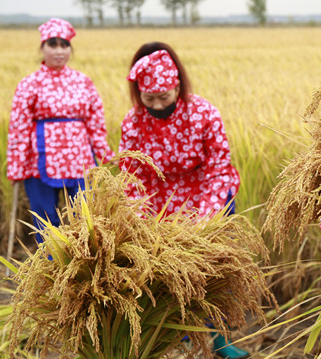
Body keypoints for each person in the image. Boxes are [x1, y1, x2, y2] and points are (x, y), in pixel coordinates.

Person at [118, 43, 247, 358]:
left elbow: (218, 169)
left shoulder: (204, 113)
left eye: (165, 98)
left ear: (178, 86)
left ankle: (219, 339)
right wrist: (143, 222)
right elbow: (132, 178)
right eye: (150, 100)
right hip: (158, 202)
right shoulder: (133, 123)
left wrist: (204, 221)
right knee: (165, 274)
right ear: (139, 95)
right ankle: (179, 335)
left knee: (212, 271)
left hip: (207, 195)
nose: (158, 105)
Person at [7, 18, 114, 245]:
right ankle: (51, 268)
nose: (59, 51)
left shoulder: (83, 81)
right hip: (40, 159)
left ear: (70, 49)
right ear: (42, 47)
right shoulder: (29, 84)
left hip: (80, 158)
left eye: (64, 45)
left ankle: (85, 269)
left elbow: (96, 122)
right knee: (45, 219)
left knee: (86, 217)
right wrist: (17, 164)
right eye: (52, 44)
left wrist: (105, 154)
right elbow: (19, 126)